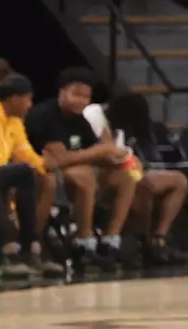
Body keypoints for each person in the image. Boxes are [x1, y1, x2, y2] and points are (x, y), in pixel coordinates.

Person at [27, 67, 138, 271]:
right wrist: (100, 150)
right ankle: (83, 242)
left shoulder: (79, 120)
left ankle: (109, 240)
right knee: (84, 175)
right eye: (76, 94)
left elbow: (94, 153)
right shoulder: (45, 115)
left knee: (127, 175)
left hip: (74, 174)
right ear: (61, 91)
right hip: (42, 176)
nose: (81, 100)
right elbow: (58, 160)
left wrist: (120, 159)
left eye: (86, 96)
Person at [0, 73, 58, 278]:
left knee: (25, 171)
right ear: (13, 98)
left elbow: (26, 155)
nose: (30, 105)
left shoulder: (13, 120)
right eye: (27, 99)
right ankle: (5, 249)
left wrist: (45, 165)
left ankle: (29, 244)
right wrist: (12, 209)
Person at [85, 88, 188, 266]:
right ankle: (141, 241)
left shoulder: (121, 128)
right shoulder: (93, 114)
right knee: (141, 184)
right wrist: (131, 164)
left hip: (119, 174)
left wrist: (134, 166)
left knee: (178, 180)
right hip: (93, 175)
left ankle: (158, 239)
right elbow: (109, 151)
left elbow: (126, 157)